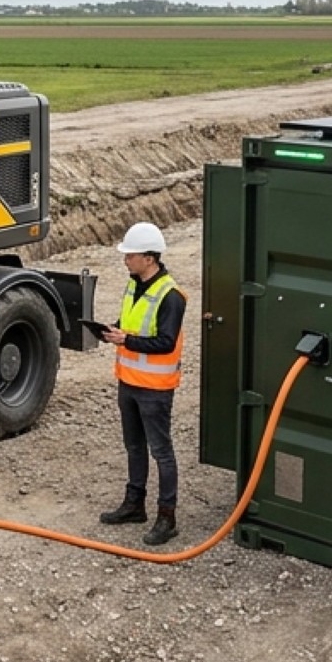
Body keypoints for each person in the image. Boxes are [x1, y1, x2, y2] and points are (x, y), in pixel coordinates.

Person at [98, 221, 185, 546]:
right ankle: (134, 505)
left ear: (149, 258)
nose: (125, 260)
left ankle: (167, 517)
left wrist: (127, 340)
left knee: (161, 451)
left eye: (130, 255)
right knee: (134, 447)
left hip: (155, 389)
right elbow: (132, 324)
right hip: (129, 382)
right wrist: (115, 331)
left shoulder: (171, 296)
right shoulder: (134, 286)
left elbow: (165, 341)